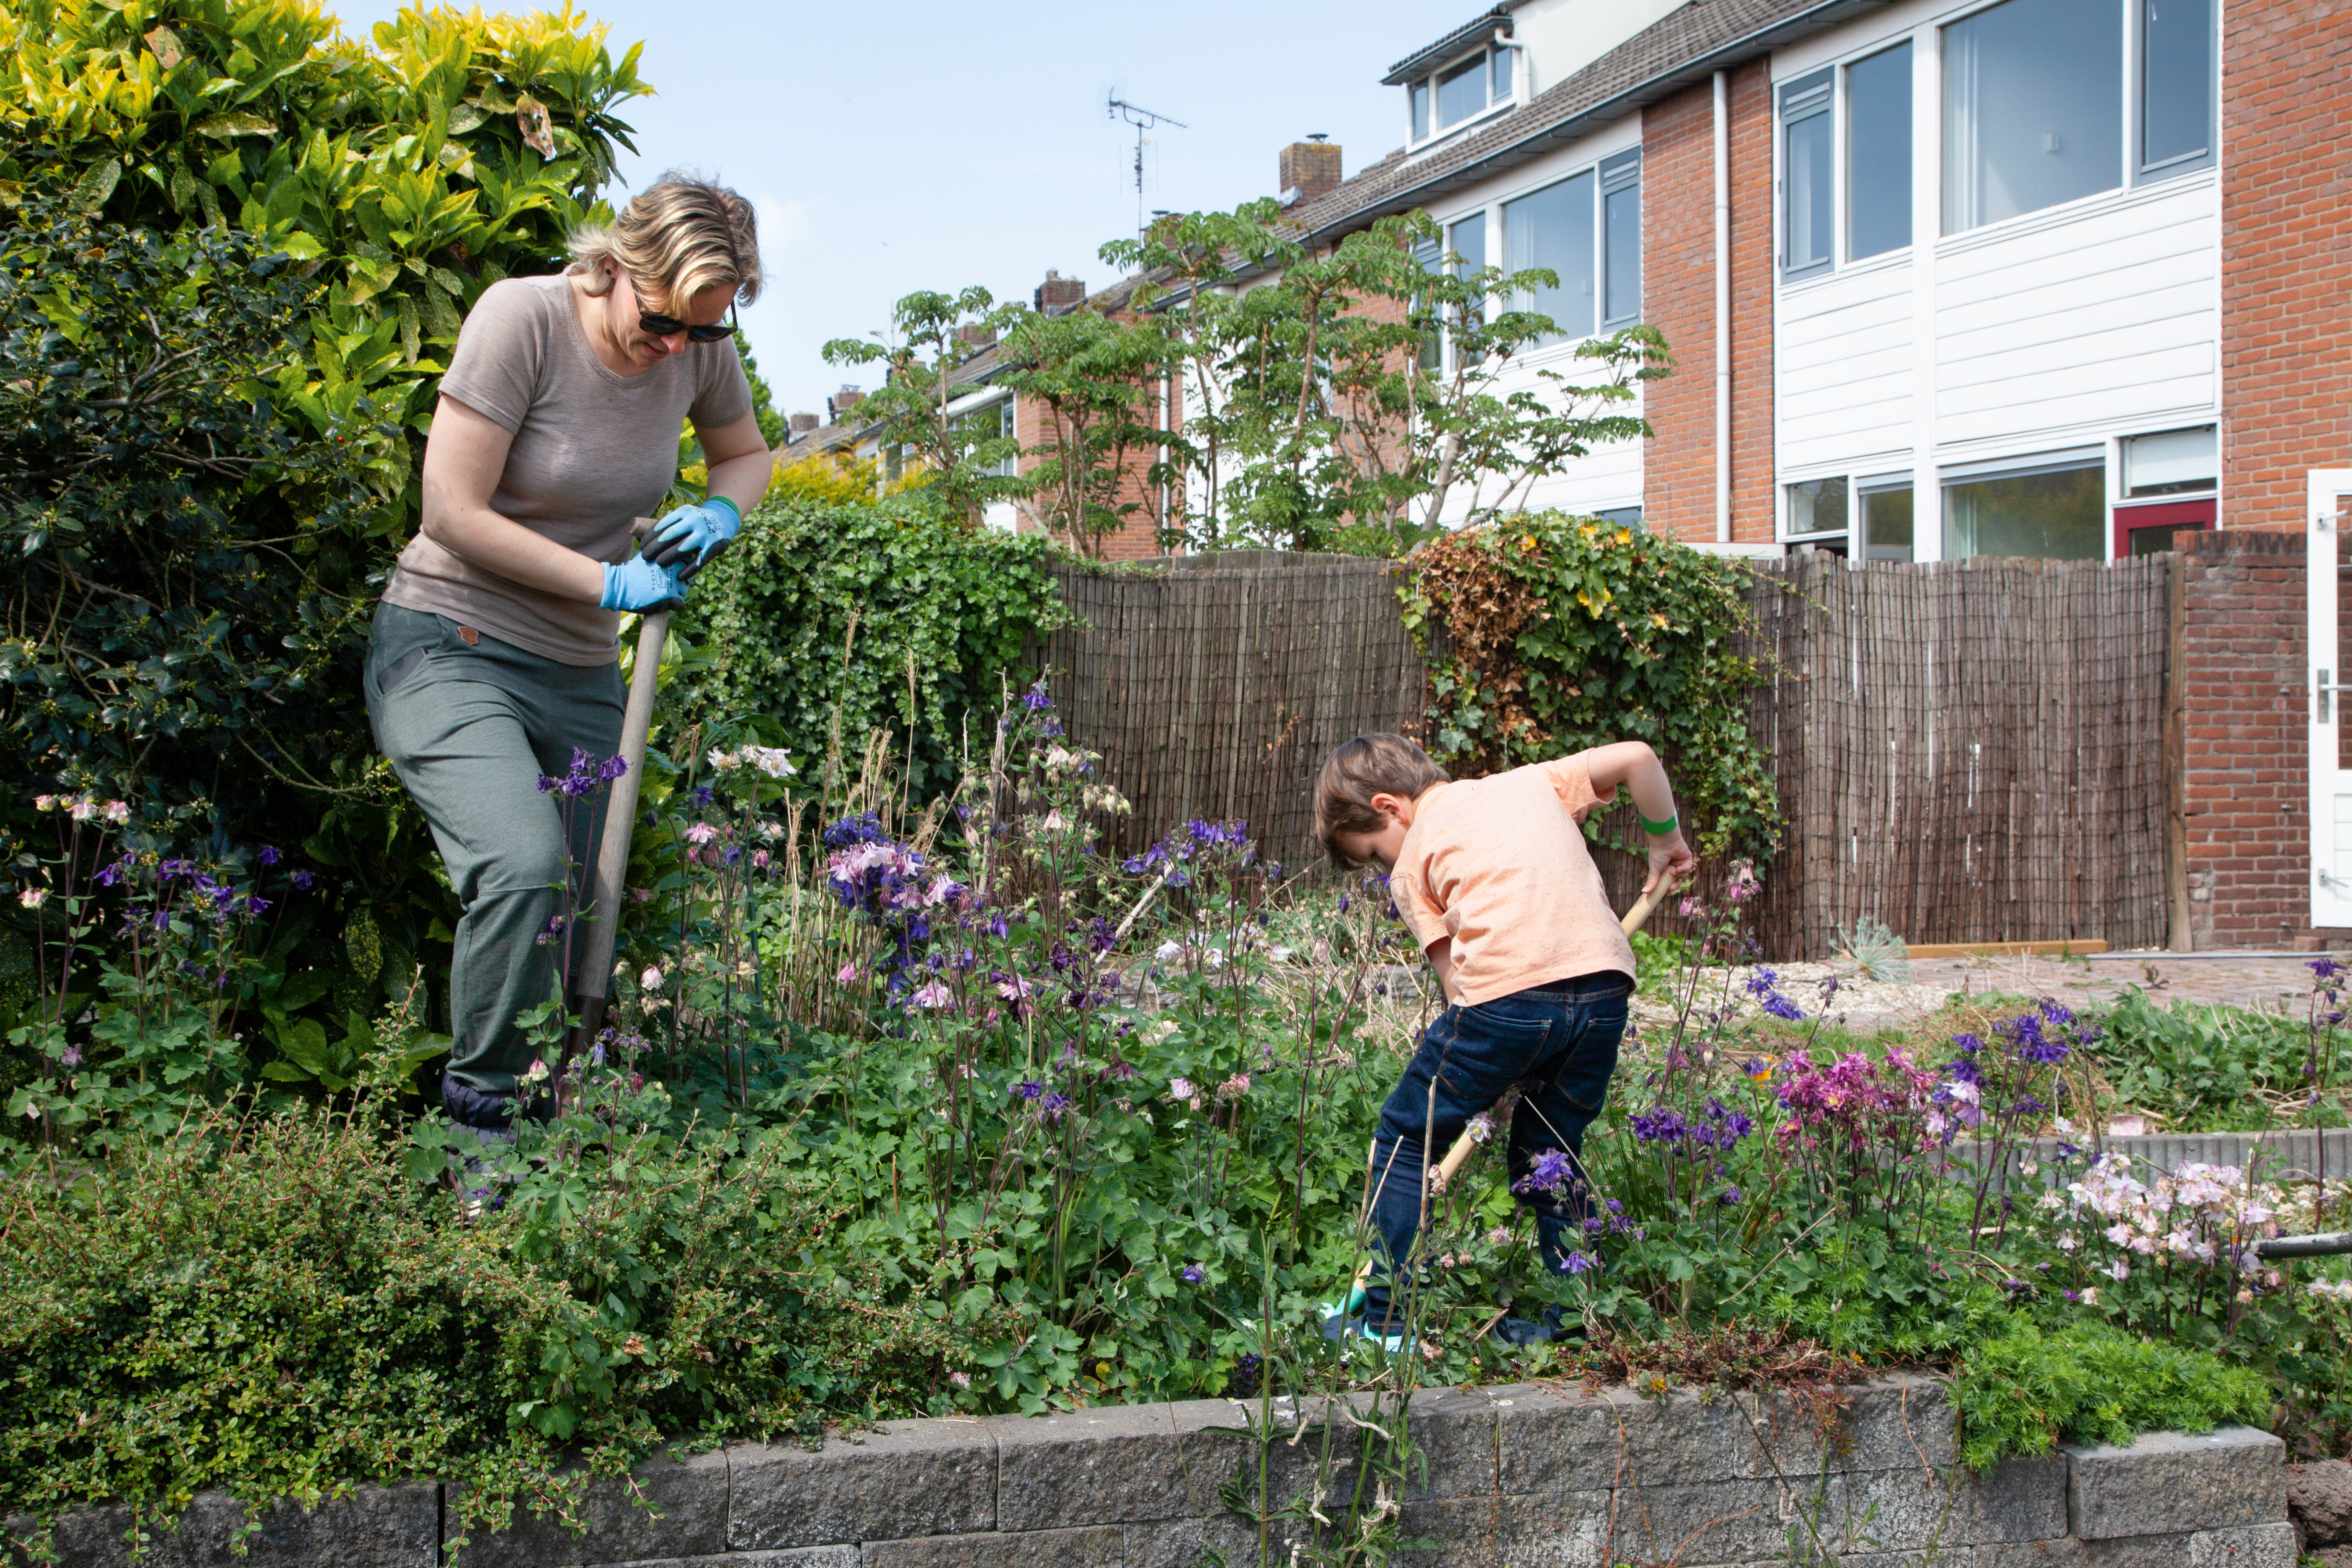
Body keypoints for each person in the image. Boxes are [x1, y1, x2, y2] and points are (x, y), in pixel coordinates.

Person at [365, 173, 773, 1134]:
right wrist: (609, 584)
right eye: (663, 321)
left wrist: (721, 512)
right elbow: (450, 511)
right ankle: (480, 1133)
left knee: (575, 915)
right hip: (448, 643)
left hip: (582, 673)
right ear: (615, 267)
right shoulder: (523, 320)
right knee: (522, 863)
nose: (678, 349)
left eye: (703, 332)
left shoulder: (698, 345)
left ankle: (552, 1141)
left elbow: (746, 454)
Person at [1313, 732, 1696, 1347]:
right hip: (1603, 991)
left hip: (1504, 1000)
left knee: (1408, 1142)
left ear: (1391, 808)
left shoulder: (1412, 866)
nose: (1387, 865)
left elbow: (1457, 986)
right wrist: (1666, 841)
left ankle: (1384, 1324)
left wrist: (1493, 1064)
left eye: (1376, 855)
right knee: (1550, 1150)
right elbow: (1640, 759)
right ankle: (1584, 1315)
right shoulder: (1530, 782)